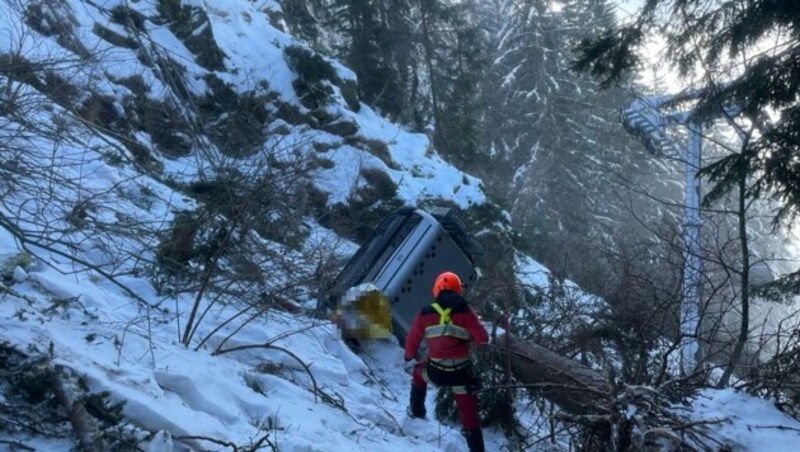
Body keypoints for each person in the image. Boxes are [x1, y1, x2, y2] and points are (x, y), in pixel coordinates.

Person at [404, 271, 489, 452]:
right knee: (469, 414)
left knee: (419, 374)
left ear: (437, 289)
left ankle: (417, 412)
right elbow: (483, 339)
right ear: (458, 290)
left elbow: (412, 340)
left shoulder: (425, 313)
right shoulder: (467, 312)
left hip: (435, 372)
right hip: (461, 375)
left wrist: (409, 356)